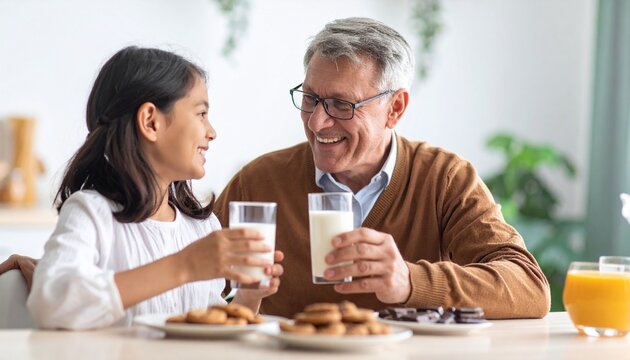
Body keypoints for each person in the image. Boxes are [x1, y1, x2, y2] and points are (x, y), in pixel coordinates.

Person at [214, 17, 550, 319]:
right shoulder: (258, 183)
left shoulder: (444, 178)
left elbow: (529, 287)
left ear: (395, 108)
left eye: (341, 105)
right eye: (310, 98)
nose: (317, 122)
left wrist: (409, 281)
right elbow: (189, 290)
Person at [18, 46, 283, 330]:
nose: (212, 131)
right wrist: (184, 266)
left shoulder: (202, 227)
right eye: (201, 113)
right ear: (150, 122)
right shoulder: (91, 212)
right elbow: (52, 304)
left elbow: (210, 330)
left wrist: (248, 296)